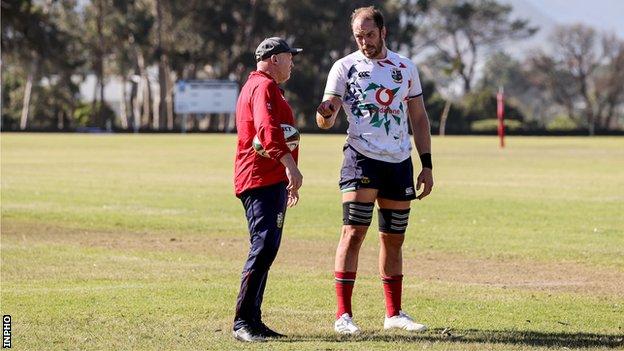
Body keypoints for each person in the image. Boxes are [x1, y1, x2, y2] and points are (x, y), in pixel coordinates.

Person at [316, 6, 434, 334]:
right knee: (353, 233)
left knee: (394, 238)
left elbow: (419, 118)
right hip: (361, 158)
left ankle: (393, 313)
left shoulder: (405, 68)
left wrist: (426, 165)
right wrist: (325, 114)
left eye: (370, 34)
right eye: (359, 36)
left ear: (384, 32)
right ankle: (343, 316)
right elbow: (326, 116)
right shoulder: (344, 67)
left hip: (398, 162)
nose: (365, 42)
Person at [232, 37, 303, 342]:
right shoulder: (263, 87)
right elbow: (266, 129)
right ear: (274, 58)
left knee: (267, 248)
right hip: (261, 178)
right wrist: (290, 164)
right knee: (262, 247)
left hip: (268, 178)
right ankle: (242, 322)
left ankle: (254, 320)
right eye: (290, 57)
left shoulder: (262, 86)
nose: (293, 62)